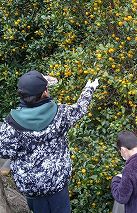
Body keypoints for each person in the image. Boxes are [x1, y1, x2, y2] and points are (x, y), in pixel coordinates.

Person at [0, 70, 99, 213]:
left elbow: (3, 151)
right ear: (44, 92)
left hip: (32, 189)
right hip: (57, 185)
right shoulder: (61, 114)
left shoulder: (11, 125)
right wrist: (89, 88)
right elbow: (80, 109)